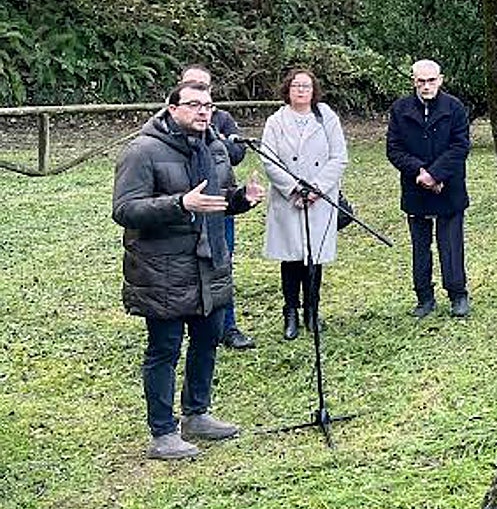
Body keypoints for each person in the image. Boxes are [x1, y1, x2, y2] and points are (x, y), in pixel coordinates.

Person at [112, 80, 265, 460]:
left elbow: (216, 203)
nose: (203, 112)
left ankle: (197, 414)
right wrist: (180, 203)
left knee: (207, 341)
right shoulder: (142, 152)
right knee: (164, 349)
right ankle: (163, 432)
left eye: (208, 105)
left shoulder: (215, 148)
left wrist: (240, 200)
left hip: (210, 263)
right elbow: (125, 210)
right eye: (194, 105)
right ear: (171, 107)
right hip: (163, 270)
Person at [260, 69, 349, 340]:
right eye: (296, 86)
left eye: (306, 86)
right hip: (289, 199)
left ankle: (312, 310)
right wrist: (295, 188)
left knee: (314, 256)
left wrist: (317, 189)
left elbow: (339, 157)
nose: (301, 90)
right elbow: (268, 158)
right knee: (291, 257)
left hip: (319, 198)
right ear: (287, 89)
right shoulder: (276, 121)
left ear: (314, 90)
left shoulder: (326, 117)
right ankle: (290, 312)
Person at [386, 59, 473, 318]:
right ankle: (424, 298)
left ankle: (458, 295)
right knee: (420, 248)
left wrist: (436, 174)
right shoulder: (400, 109)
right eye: (421, 81)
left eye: (431, 80)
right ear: (413, 81)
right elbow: (394, 148)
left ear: (441, 79)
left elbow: (460, 146)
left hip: (449, 187)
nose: (426, 85)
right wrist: (420, 173)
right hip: (416, 188)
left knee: (451, 245)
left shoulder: (454, 107)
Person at [179, 65, 255, 351]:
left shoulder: (222, 119)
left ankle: (227, 326)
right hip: (183, 208)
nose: (199, 91)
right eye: (192, 85)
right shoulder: (169, 122)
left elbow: (238, 154)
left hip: (220, 206)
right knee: (185, 268)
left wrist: (216, 138)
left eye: (204, 86)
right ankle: (186, 324)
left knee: (222, 265)